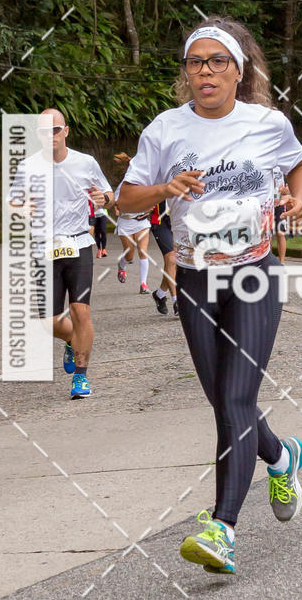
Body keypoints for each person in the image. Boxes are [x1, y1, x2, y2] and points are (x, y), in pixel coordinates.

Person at [118, 16, 302, 575]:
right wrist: (164, 188)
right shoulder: (165, 130)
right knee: (228, 400)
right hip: (197, 280)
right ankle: (281, 455)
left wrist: (297, 202)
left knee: (232, 402)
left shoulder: (267, 123)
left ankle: (222, 528)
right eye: (195, 63)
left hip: (254, 273)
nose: (205, 72)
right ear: (186, 74)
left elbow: (298, 166)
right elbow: (123, 201)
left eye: (216, 61)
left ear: (238, 69)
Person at [10, 108, 114, 399]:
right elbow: (12, 202)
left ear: (65, 130)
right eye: (44, 131)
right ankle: (71, 339)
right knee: (49, 321)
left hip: (78, 243)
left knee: (81, 311)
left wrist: (104, 198)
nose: (51, 135)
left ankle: (80, 377)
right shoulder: (28, 166)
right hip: (44, 248)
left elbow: (110, 194)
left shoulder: (86, 162)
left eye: (55, 130)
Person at [113, 153, 152, 294]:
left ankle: (143, 284)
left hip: (142, 222)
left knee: (143, 252)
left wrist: (149, 206)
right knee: (129, 255)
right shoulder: (123, 187)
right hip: (126, 222)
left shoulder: (146, 184)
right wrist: (119, 208)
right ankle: (122, 266)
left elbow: (151, 202)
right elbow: (116, 204)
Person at [150, 201, 179, 316]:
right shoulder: (158, 181)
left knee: (173, 263)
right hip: (160, 220)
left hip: (180, 220)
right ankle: (176, 301)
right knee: (171, 259)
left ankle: (160, 294)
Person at [273, 167, 288, 263]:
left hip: (280, 204)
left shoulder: (282, 164)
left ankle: (282, 262)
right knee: (267, 234)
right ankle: (267, 262)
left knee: (280, 233)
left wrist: (287, 189)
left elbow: (290, 180)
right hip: (267, 203)